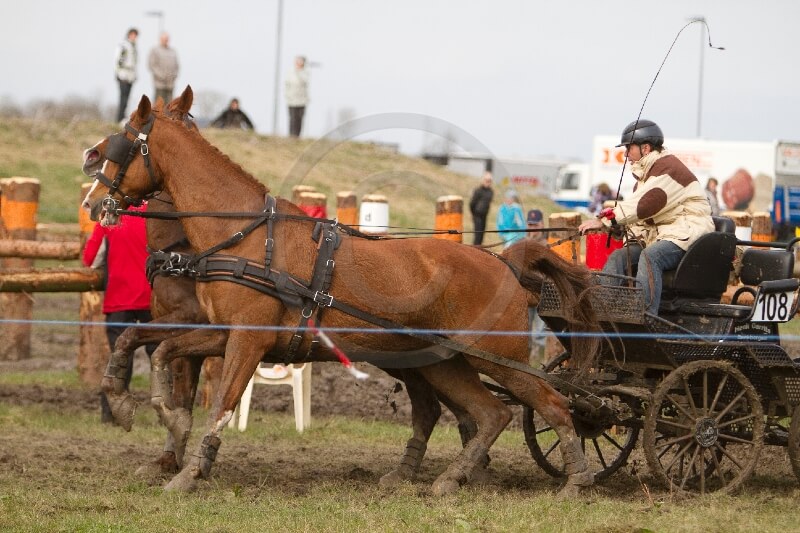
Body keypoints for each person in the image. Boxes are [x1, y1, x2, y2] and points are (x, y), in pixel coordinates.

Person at [578, 119, 714, 316]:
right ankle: (601, 311)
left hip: (689, 232)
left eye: (629, 148)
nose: (626, 154)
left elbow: (643, 206)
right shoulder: (645, 179)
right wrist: (621, 231)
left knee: (651, 256)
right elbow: (642, 219)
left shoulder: (668, 169)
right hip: (665, 235)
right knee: (618, 256)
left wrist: (604, 220)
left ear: (646, 148)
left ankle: (644, 316)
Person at [82, 203, 153, 424]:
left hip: (120, 298)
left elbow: (90, 259)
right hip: (155, 299)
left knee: (120, 357)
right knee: (162, 356)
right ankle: (170, 412)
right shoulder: (157, 213)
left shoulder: (110, 216)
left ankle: (112, 414)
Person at [525, 208, 547, 362]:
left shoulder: (548, 244)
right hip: (525, 293)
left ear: (542, 224)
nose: (532, 228)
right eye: (530, 225)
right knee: (524, 327)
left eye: (535, 225)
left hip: (542, 294)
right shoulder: (521, 244)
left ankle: (539, 358)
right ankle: (527, 357)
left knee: (541, 329)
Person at [114, 28, 138, 122]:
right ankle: (120, 118)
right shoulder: (124, 45)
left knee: (127, 98)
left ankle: (123, 117)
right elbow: (118, 60)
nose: (134, 37)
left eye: (135, 35)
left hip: (130, 76)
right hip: (123, 75)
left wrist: (134, 75)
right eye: (133, 35)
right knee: (123, 98)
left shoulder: (134, 47)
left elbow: (134, 62)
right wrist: (119, 73)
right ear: (129, 35)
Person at [148, 32, 179, 104]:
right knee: (159, 106)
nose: (165, 40)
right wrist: (162, 76)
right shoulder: (155, 50)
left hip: (170, 84)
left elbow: (177, 66)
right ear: (160, 39)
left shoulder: (173, 51)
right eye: (164, 39)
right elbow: (152, 65)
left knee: (169, 106)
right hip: (160, 84)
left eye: (167, 39)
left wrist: (174, 76)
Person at [285, 55, 309, 137]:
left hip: (302, 101)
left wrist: (298, 71)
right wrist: (287, 96)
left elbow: (304, 81)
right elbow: (287, 85)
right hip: (291, 100)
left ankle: (297, 135)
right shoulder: (290, 72)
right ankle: (291, 135)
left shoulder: (305, 73)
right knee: (292, 118)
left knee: (299, 119)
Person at [468, 172, 494, 245]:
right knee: (477, 235)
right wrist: (473, 214)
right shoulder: (478, 191)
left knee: (482, 235)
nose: (488, 182)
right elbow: (472, 204)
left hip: (484, 216)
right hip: (477, 215)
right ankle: (475, 249)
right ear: (483, 180)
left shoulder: (491, 192)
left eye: (489, 181)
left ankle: (479, 249)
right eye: (486, 180)